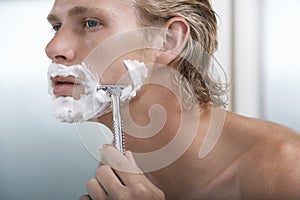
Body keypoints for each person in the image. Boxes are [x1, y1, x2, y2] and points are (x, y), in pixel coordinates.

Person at [45, 0, 300, 199]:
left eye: (90, 23)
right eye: (57, 27)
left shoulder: (284, 167)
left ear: (169, 41)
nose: (53, 48)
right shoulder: (121, 172)